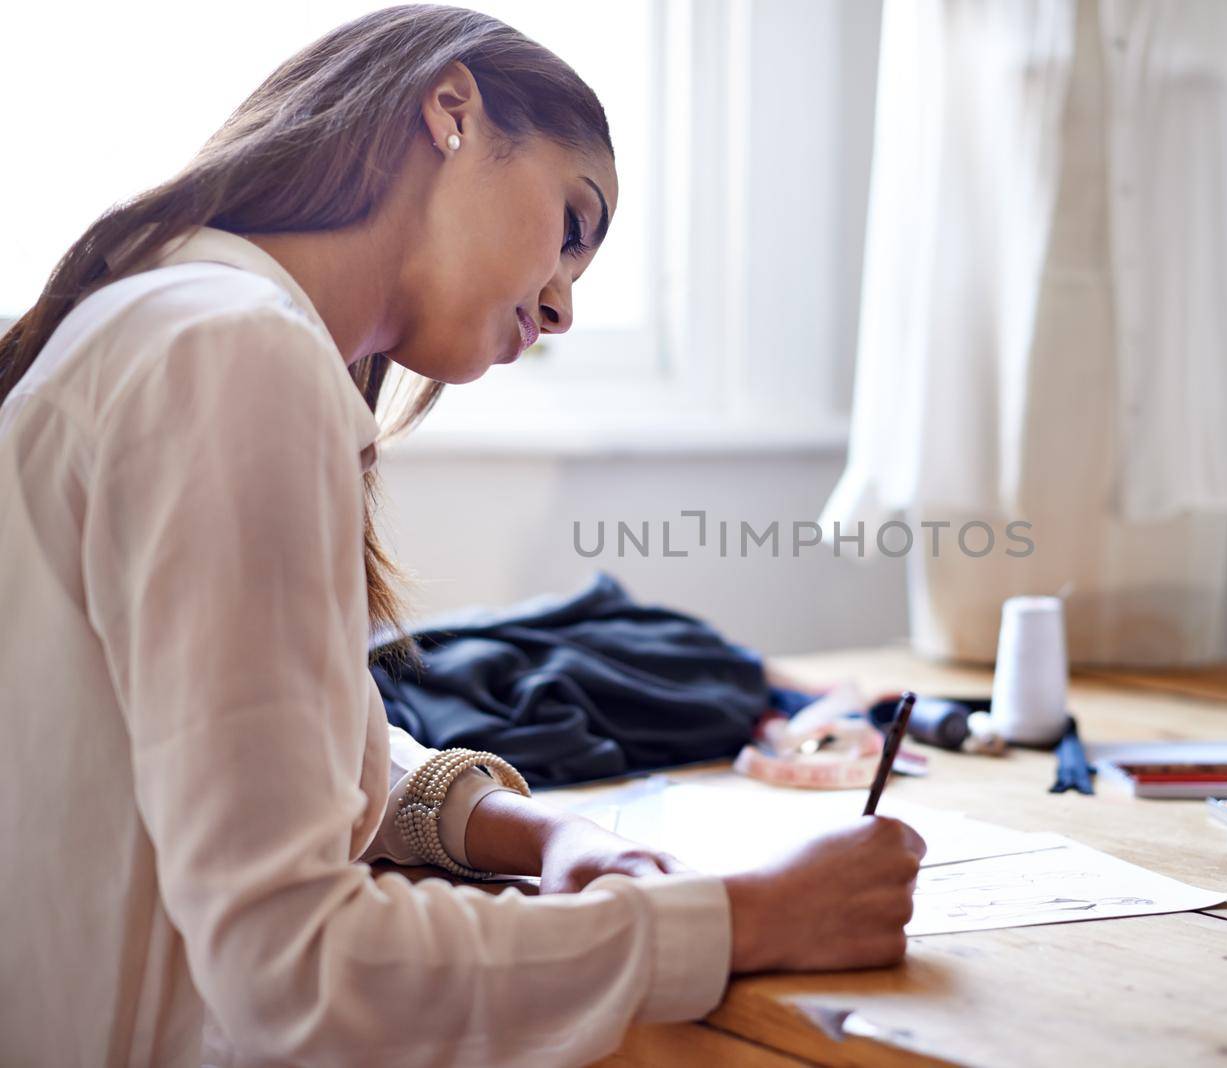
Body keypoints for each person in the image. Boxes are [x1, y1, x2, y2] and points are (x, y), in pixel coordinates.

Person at [0, 6, 925, 1065]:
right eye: (573, 226)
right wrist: (744, 920)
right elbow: (293, 970)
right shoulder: (232, 357)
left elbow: (245, 752)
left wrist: (531, 829)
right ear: (450, 110)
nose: (566, 307)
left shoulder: (171, 323)